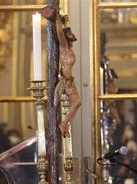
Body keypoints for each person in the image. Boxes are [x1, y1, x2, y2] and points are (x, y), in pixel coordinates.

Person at [42, 6, 81, 138]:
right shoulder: (64, 48)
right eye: (70, 33)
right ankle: (64, 124)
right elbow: (59, 33)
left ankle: (66, 125)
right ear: (66, 36)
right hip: (66, 81)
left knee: (77, 103)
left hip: (70, 80)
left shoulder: (70, 50)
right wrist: (57, 18)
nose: (73, 35)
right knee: (76, 102)